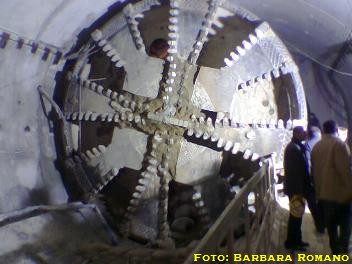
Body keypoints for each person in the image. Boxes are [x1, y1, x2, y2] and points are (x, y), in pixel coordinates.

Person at [311, 120, 352, 254]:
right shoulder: (339, 145)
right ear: (336, 130)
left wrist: (318, 193)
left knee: (331, 225)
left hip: (324, 194)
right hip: (340, 194)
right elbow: (344, 171)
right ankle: (343, 249)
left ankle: (335, 250)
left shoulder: (316, 147)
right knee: (346, 224)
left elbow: (314, 173)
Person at [283, 126, 311, 251]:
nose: (304, 134)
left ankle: (297, 240)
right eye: (302, 133)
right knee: (295, 217)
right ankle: (292, 243)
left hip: (297, 188)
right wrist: (299, 191)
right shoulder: (294, 148)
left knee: (297, 216)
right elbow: (295, 172)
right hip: (296, 189)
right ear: (296, 134)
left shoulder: (296, 146)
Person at [304, 126, 325, 233]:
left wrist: (310, 180)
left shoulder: (308, 144)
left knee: (313, 203)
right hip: (327, 180)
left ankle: (320, 226)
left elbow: (308, 164)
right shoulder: (326, 143)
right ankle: (326, 224)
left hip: (314, 180)